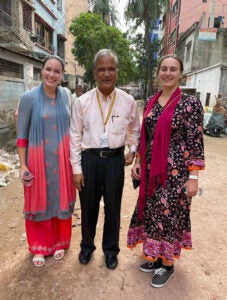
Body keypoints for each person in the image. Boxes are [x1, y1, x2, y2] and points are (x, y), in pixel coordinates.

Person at [127, 55, 205, 287]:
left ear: (180, 73)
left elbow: (195, 140)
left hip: (176, 173)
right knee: (152, 213)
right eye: (164, 69)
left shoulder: (190, 104)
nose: (168, 73)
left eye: (173, 69)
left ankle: (167, 264)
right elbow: (145, 136)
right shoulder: (151, 102)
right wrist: (139, 161)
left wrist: (193, 177)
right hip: (152, 171)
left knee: (170, 216)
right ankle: (154, 256)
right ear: (158, 73)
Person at [70, 49, 140, 269]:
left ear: (117, 72)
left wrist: (133, 148)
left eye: (111, 68)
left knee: (113, 207)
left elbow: (134, 129)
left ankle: (111, 250)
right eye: (102, 69)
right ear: (94, 73)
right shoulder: (82, 102)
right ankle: (86, 246)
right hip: (89, 161)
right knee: (88, 207)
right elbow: (74, 136)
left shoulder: (128, 101)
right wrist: (76, 169)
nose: (106, 73)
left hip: (114, 161)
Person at [17, 55, 76, 267]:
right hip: (38, 162)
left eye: (57, 71)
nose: (52, 74)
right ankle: (39, 246)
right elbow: (22, 135)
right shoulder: (28, 98)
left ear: (62, 75)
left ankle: (60, 242)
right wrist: (23, 165)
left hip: (62, 162)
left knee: (60, 199)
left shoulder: (67, 96)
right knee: (39, 200)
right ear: (41, 70)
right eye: (48, 69)